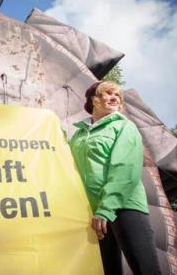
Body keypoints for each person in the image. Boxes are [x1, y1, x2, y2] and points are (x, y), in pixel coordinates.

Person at [69, 81, 161, 275]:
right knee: (107, 270)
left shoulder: (124, 127)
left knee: (146, 270)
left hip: (124, 205)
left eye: (117, 96)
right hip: (92, 213)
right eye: (108, 93)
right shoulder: (78, 134)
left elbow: (125, 168)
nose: (114, 98)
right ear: (94, 99)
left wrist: (107, 208)